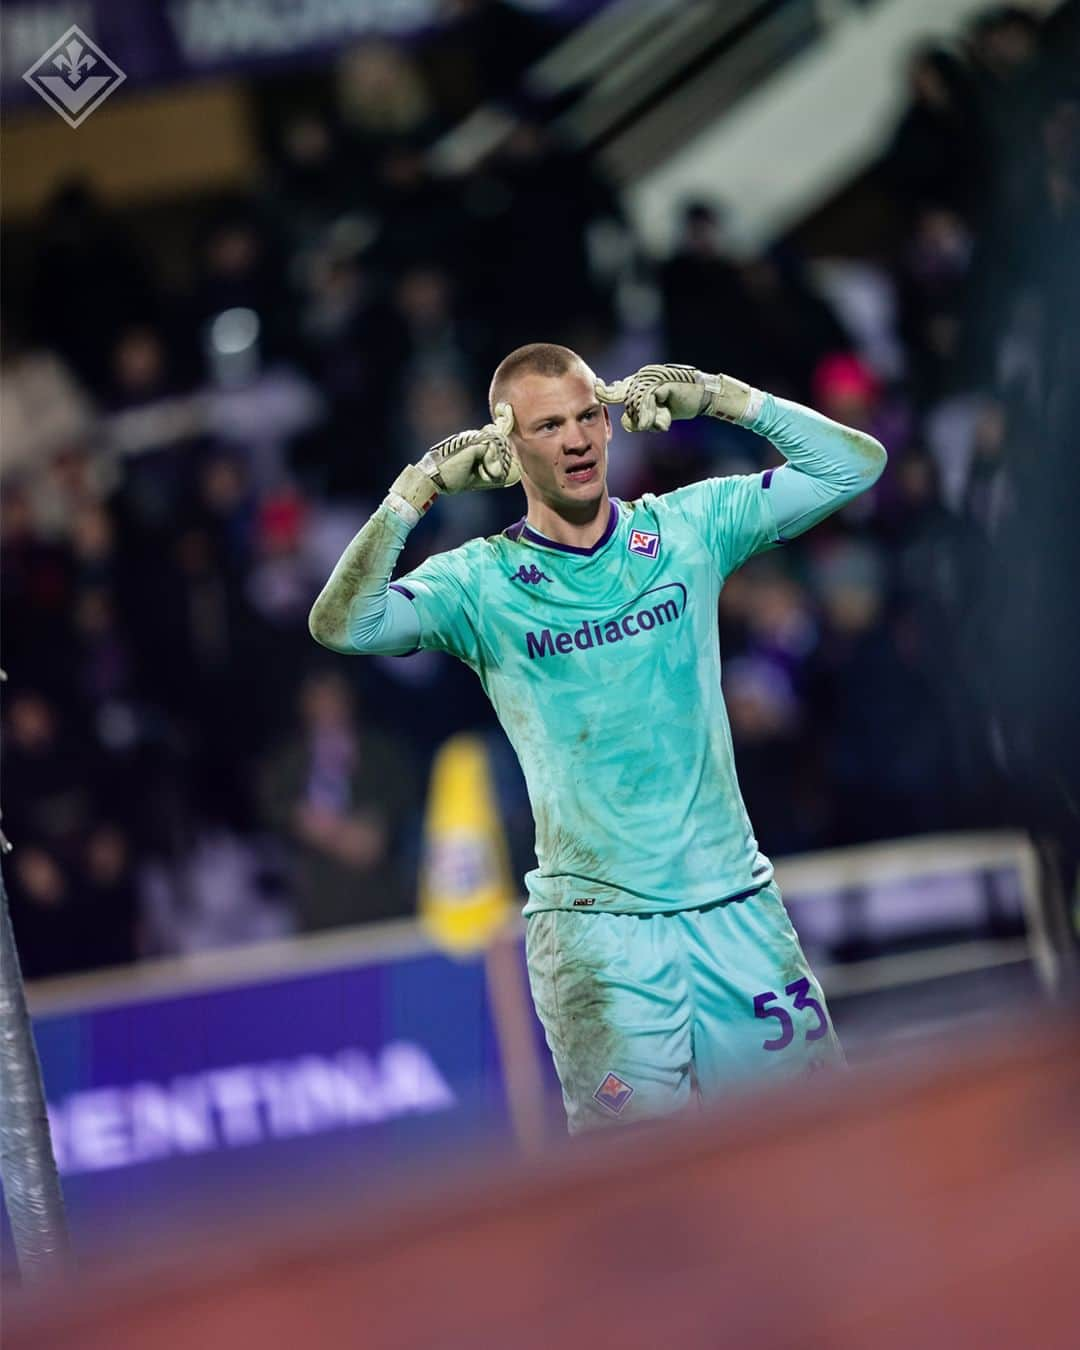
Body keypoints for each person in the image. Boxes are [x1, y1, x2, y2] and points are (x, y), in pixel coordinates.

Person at [309, 344, 886, 1131]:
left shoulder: (689, 527)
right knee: (644, 1204)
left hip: (736, 911)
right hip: (599, 939)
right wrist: (413, 495)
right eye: (550, 426)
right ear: (509, 448)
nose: (578, 439)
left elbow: (852, 467)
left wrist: (726, 397)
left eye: (590, 416)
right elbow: (345, 622)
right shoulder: (479, 581)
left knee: (820, 1151)